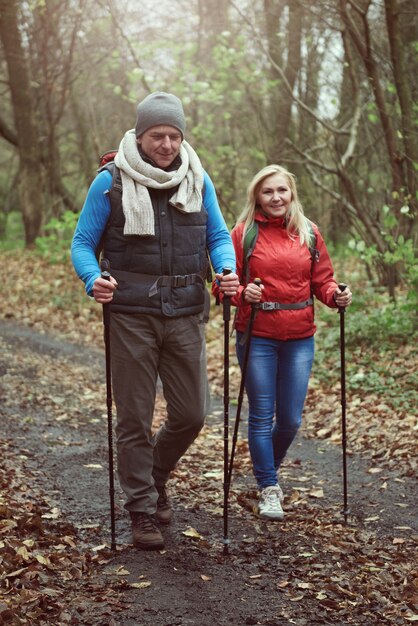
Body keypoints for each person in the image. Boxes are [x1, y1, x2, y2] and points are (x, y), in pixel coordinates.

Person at [71, 92, 239, 550]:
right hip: (130, 315)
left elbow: (219, 236)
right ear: (139, 136)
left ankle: (155, 476)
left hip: (186, 311)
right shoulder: (110, 182)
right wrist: (93, 279)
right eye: (156, 135)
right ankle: (142, 509)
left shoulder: (198, 179)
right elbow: (83, 244)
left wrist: (226, 270)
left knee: (192, 414)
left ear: (182, 136)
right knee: (134, 418)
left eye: (173, 135)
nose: (165, 144)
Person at [221, 164, 352, 520]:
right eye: (268, 192)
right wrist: (242, 293)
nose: (276, 197)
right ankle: (269, 487)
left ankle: (267, 471)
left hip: (299, 337)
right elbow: (223, 282)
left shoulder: (309, 233)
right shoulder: (242, 233)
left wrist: (335, 295)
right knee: (262, 415)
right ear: (257, 197)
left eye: (282, 190)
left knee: (291, 419)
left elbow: (322, 280)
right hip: (258, 334)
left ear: (291, 193)